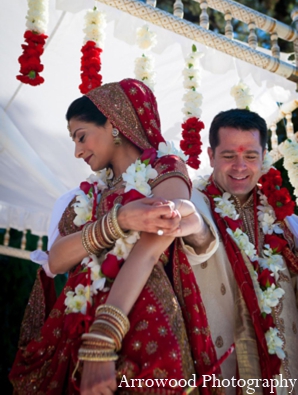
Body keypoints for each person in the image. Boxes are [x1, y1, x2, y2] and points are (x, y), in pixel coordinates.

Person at [9, 79, 221, 395]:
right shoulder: (89, 195)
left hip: (140, 315)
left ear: (114, 123)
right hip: (75, 323)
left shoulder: (166, 167)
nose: (78, 151)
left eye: (81, 137)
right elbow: (57, 258)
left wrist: (103, 335)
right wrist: (119, 220)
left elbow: (150, 249)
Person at [184, 108, 298, 393]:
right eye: (228, 156)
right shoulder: (193, 208)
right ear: (211, 156)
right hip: (221, 369)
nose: (240, 167)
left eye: (250, 156)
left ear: (264, 157)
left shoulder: (286, 221)